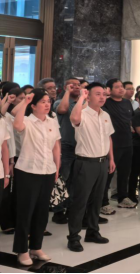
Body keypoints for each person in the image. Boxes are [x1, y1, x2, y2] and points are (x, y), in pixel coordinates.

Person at [11, 90, 61, 266]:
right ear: (33, 106)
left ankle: (36, 247)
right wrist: (25, 101)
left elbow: (56, 146)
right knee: (25, 212)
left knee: (42, 212)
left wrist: (57, 167)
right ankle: (22, 250)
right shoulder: (26, 121)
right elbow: (17, 125)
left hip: (48, 171)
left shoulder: (52, 121)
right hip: (28, 171)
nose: (47, 104)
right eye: (43, 102)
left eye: (48, 101)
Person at [67, 83, 116, 252]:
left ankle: (93, 232)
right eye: (98, 94)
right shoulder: (82, 113)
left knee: (97, 200)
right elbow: (74, 119)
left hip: (102, 162)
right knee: (80, 201)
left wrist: (111, 158)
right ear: (89, 96)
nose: (102, 97)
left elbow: (108, 138)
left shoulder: (106, 115)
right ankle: (73, 237)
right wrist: (81, 97)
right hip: (85, 163)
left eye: (104, 94)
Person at [101, 79, 136, 213]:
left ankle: (123, 198)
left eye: (122, 86)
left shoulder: (127, 102)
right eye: (117, 87)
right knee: (109, 173)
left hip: (127, 142)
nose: (121, 89)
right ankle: (103, 201)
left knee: (124, 173)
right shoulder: (106, 102)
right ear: (109, 90)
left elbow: (130, 120)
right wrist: (104, 95)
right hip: (112, 143)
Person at [52, 78, 81, 225]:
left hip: (80, 148)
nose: (76, 87)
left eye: (78, 85)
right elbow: (62, 110)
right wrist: (68, 92)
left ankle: (70, 208)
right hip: (65, 146)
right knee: (61, 179)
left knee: (75, 181)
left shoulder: (81, 103)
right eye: (72, 85)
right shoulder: (60, 102)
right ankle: (58, 211)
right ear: (65, 87)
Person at [0, 87, 24, 233]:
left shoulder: (5, 119)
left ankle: (8, 221)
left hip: (10, 158)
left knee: (7, 194)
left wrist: (10, 164)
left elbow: (6, 146)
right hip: (9, 158)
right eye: (20, 98)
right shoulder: (5, 116)